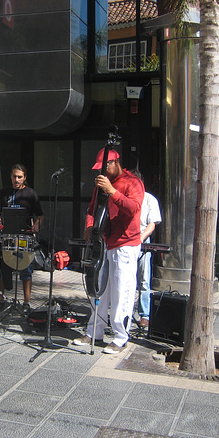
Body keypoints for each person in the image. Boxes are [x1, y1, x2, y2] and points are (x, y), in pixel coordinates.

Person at [73, 148, 144, 354]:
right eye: (99, 168)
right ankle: (94, 331)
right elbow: (92, 209)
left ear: (115, 163)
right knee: (100, 288)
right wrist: (89, 225)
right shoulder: (101, 185)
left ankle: (121, 336)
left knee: (122, 290)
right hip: (105, 242)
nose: (101, 172)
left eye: (105, 167)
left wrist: (112, 191)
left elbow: (133, 208)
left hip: (126, 243)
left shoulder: (133, 182)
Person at [0, 164, 44, 313]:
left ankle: (26, 302)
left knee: (26, 268)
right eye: (14, 176)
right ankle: (1, 298)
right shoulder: (4, 192)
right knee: (3, 267)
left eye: (20, 177)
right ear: (10, 177)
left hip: (24, 237)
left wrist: (36, 225)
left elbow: (40, 215)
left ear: (25, 178)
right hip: (7, 236)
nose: (16, 179)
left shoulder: (31, 194)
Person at [136, 187, 161, 328]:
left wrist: (141, 238)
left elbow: (152, 224)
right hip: (126, 240)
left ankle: (144, 315)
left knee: (144, 280)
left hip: (142, 239)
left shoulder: (149, 199)